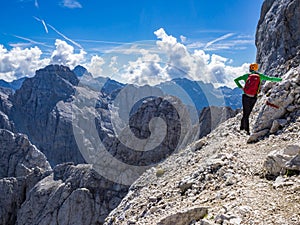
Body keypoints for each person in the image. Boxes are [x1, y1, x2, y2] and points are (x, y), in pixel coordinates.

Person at [234, 63, 282, 135]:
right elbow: (270, 78)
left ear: (250, 69)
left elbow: (236, 80)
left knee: (245, 113)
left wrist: (241, 88)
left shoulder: (246, 76)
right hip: (254, 97)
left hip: (246, 96)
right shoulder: (260, 76)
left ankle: (245, 129)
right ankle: (243, 128)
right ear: (256, 69)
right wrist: (280, 79)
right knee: (248, 113)